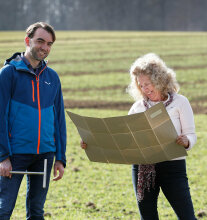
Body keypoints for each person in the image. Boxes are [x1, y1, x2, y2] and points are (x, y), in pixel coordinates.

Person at [80, 53, 197, 219]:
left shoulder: (180, 102)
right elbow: (121, 139)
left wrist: (186, 142)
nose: (145, 89)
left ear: (160, 80)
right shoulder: (136, 107)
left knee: (187, 216)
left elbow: (191, 135)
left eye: (148, 84)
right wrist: (92, 142)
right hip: (143, 168)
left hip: (172, 167)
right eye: (141, 85)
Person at [0, 22, 67, 220]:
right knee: (4, 210)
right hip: (15, 154)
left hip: (45, 155)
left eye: (49, 44)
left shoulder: (52, 77)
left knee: (37, 211)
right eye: (40, 41)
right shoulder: (8, 74)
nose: (44, 47)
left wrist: (60, 158)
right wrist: (3, 155)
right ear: (27, 40)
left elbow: (59, 118)